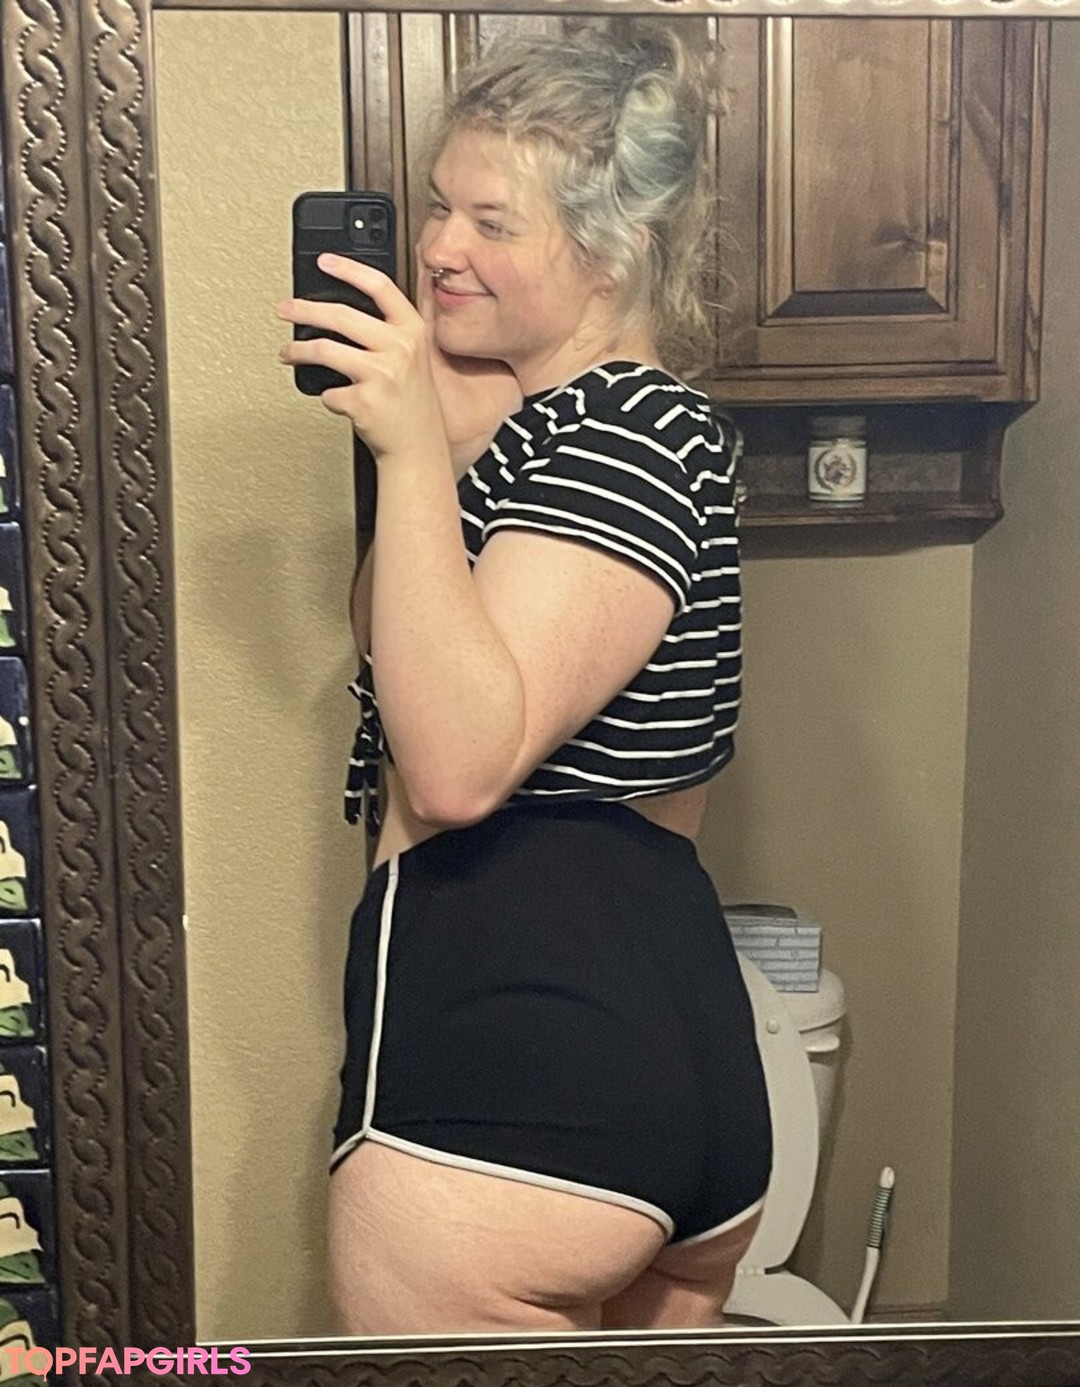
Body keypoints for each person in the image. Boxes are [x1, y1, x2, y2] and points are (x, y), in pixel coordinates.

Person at [276, 25, 772, 1335]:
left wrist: (409, 451)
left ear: (615, 247)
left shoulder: (623, 431)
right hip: (657, 1036)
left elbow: (452, 768)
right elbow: (403, 638)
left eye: (492, 220)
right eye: (439, 205)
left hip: (519, 1052)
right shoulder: (567, 424)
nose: (440, 247)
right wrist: (441, 450)